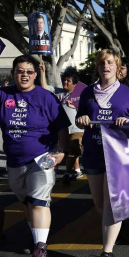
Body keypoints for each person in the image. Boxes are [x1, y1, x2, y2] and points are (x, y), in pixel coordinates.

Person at [76, 49, 129, 257]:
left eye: (110, 63)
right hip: (93, 152)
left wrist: (128, 122)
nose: (105, 66)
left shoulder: (128, 93)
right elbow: (80, 116)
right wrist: (81, 120)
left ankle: (107, 252)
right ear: (97, 67)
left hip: (118, 155)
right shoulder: (87, 92)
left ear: (117, 68)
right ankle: (115, 230)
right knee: (99, 203)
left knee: (110, 203)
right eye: (101, 63)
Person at [0, 55, 70, 257]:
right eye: (20, 71)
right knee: (27, 201)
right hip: (14, 161)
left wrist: (62, 152)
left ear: (35, 75)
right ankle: (36, 236)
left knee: (39, 200)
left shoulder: (46, 97)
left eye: (29, 72)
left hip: (42, 157)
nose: (24, 75)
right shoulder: (4, 95)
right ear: (13, 73)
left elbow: (62, 127)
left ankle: (40, 246)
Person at [56, 69, 84, 184]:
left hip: (77, 129)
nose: (65, 82)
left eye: (69, 81)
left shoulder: (80, 95)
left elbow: (86, 111)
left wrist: (74, 107)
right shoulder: (61, 94)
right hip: (64, 130)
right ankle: (77, 171)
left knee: (74, 150)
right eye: (64, 80)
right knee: (70, 151)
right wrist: (42, 73)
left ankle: (67, 173)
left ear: (75, 84)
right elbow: (46, 88)